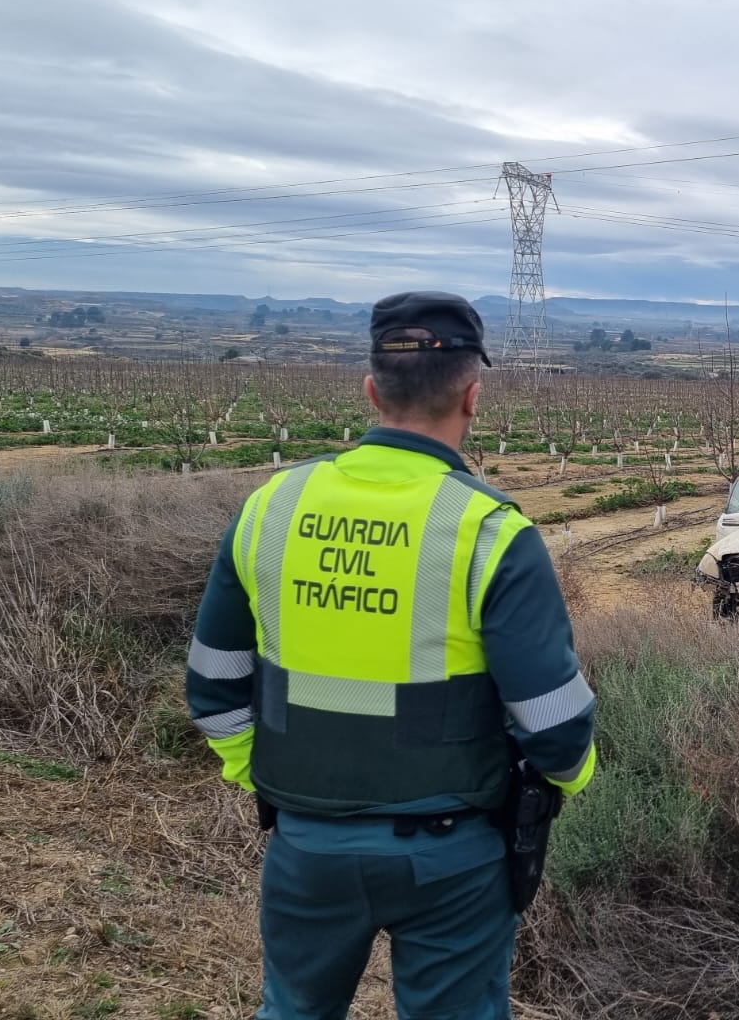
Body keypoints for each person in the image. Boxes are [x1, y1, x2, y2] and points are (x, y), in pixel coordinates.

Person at [187, 291, 596, 1020]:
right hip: (454, 856)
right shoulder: (490, 531)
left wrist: (272, 776)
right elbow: (558, 729)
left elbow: (214, 687)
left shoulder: (271, 507)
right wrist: (564, 783)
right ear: (474, 396)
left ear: (371, 389)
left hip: (304, 844)